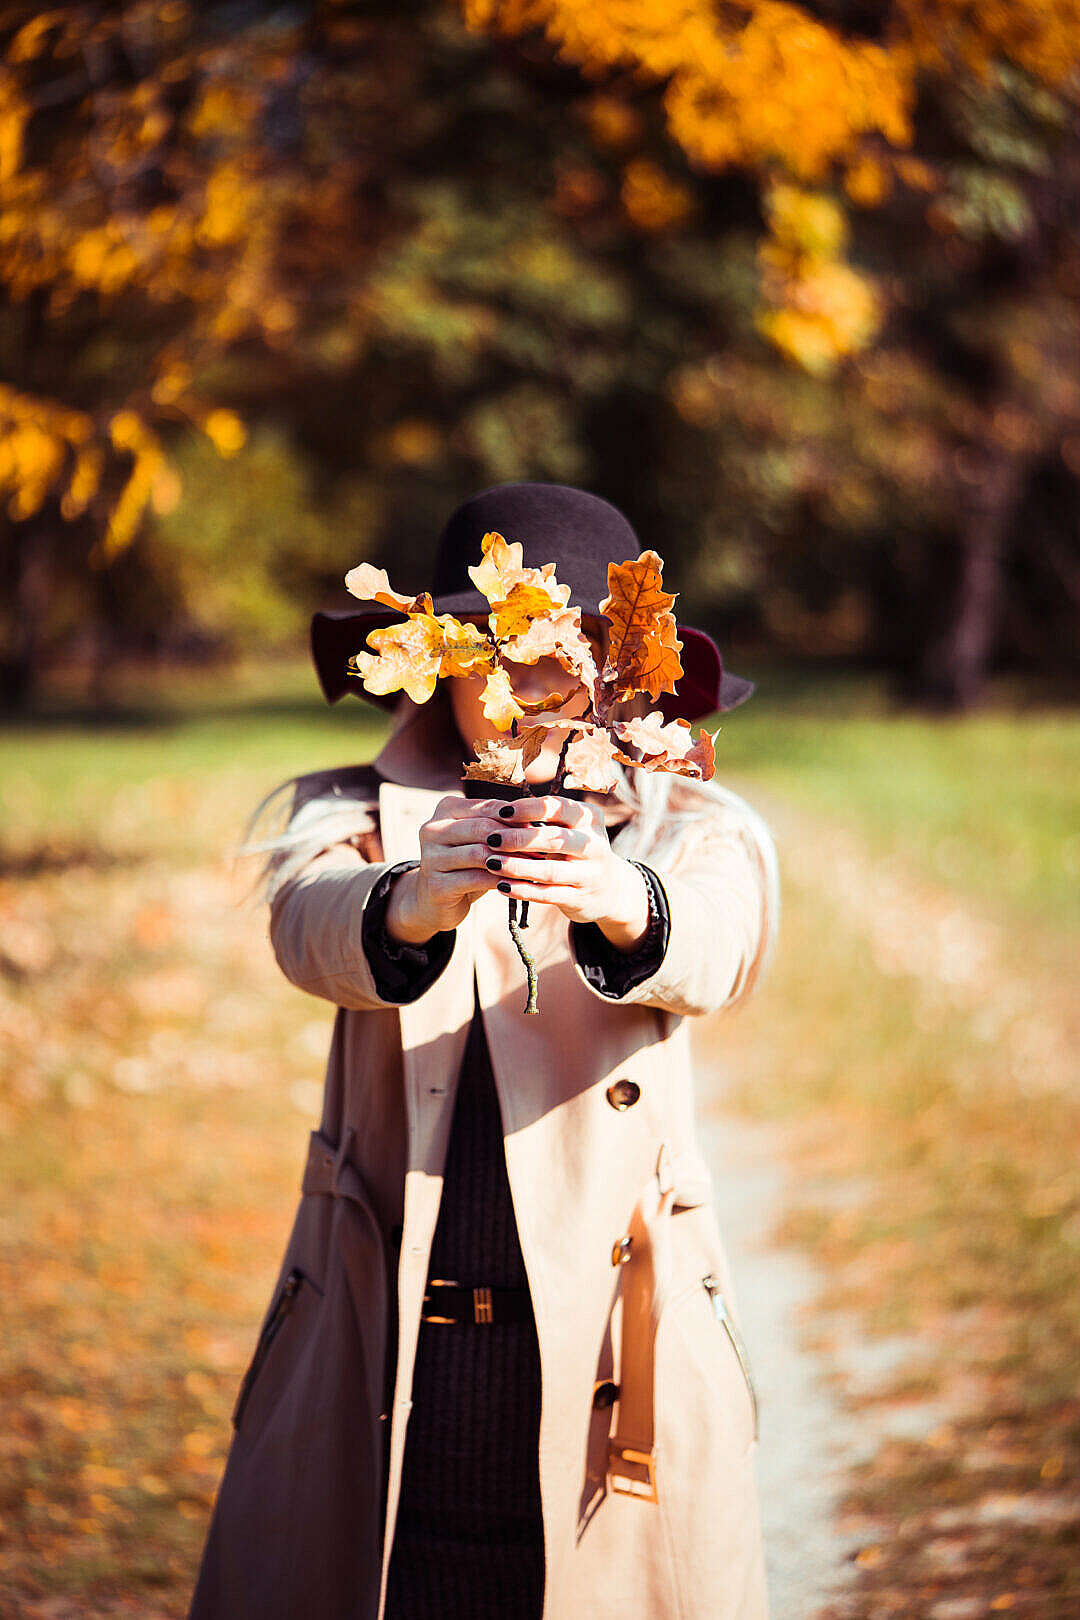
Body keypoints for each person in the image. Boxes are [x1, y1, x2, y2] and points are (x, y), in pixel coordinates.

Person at [186, 482, 780, 1620]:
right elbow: (306, 927)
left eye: (563, 659)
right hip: (378, 1353)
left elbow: (722, 945)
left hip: (617, 1364)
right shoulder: (352, 817)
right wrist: (407, 902)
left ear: (623, 675)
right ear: (436, 662)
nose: (525, 692)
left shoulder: (689, 829)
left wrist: (619, 897)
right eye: (491, 656)